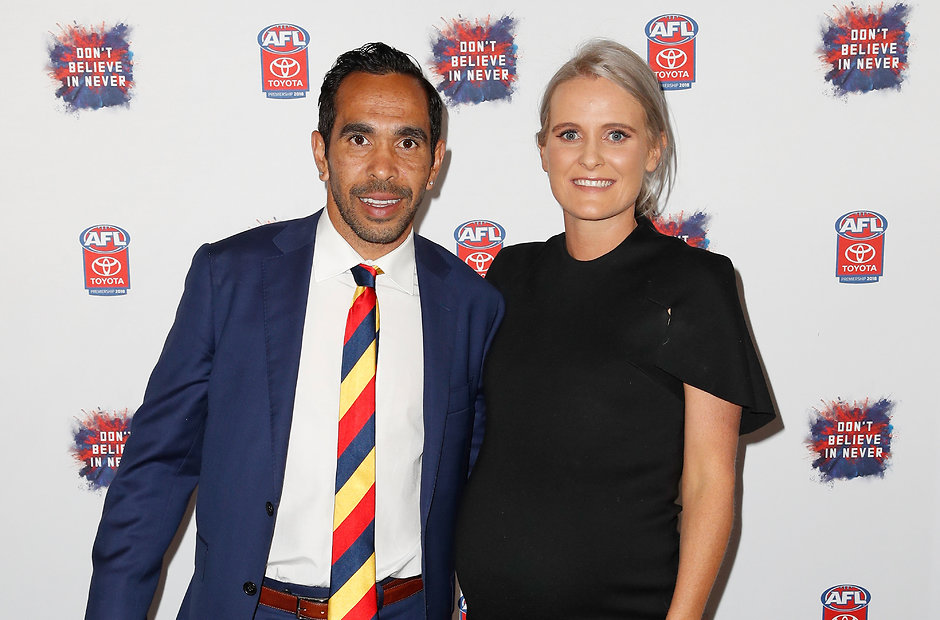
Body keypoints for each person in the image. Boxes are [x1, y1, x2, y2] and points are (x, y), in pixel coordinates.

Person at [86, 42, 503, 620]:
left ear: (435, 163)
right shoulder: (228, 278)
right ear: (321, 152)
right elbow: (158, 471)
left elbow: (480, 483)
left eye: (407, 142)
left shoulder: (473, 304)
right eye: (358, 139)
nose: (383, 168)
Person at [455, 39, 775, 619]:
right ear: (543, 150)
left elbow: (709, 481)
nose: (591, 158)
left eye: (618, 135)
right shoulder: (507, 274)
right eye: (570, 134)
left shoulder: (695, 283)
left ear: (654, 150)